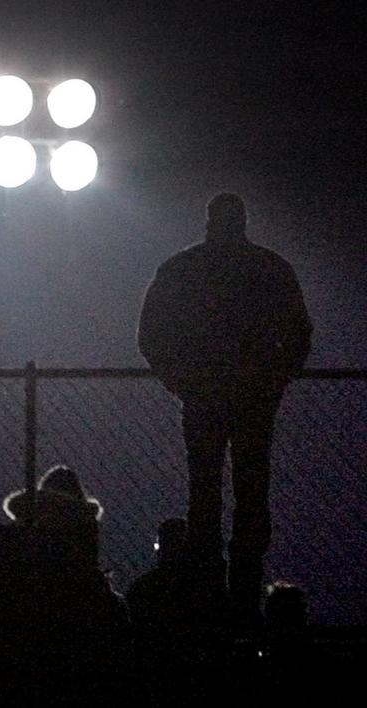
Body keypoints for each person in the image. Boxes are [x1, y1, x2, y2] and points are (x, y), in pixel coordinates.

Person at [138, 193, 312, 621]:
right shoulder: (270, 269)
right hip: (252, 398)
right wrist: (273, 380)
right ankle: (244, 604)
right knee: (251, 494)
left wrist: (180, 380)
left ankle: (208, 599)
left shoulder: (183, 269)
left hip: (206, 395)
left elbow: (151, 333)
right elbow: (299, 333)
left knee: (205, 496)